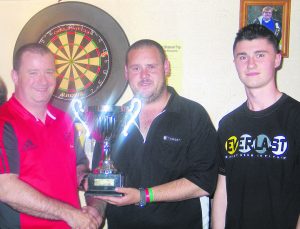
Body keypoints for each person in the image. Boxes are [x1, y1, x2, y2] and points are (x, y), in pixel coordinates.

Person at [91, 39, 218, 229]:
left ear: (166, 67)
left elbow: (204, 182)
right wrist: (95, 212)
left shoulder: (193, 115)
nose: (144, 75)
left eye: (151, 66)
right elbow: (101, 182)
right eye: (136, 68)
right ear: (126, 73)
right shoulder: (113, 119)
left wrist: (143, 195)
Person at [0, 43, 103, 228]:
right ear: (15, 76)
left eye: (49, 72)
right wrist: (68, 213)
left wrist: (89, 186)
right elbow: (5, 188)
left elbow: (78, 165)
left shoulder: (64, 119)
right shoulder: (4, 121)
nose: (43, 81)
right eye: (33, 73)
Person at [212, 24, 300, 229]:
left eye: (260, 55)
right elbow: (222, 190)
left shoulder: (296, 118)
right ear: (235, 63)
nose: (250, 64)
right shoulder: (228, 125)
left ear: (277, 59)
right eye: (243, 57)